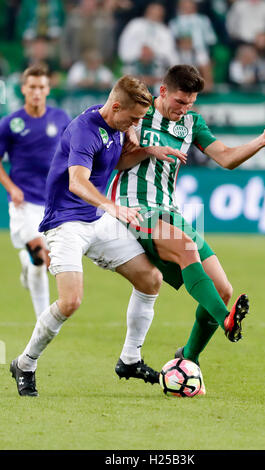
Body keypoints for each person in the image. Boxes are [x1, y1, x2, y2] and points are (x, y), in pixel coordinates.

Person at [107, 64, 265, 393]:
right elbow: (117, 161)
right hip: (135, 208)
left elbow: (225, 158)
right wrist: (146, 149)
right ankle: (226, 319)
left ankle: (188, 357)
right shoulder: (139, 113)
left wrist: (261, 141)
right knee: (186, 250)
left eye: (190, 103)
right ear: (162, 92)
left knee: (222, 287)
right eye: (180, 101)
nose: (184, 109)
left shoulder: (192, 123)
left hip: (170, 211)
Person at [9, 74, 187, 397]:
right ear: (116, 106)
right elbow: (77, 181)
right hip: (65, 222)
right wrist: (112, 207)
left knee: (151, 279)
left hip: (97, 219)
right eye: (132, 119)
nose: (134, 125)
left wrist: (148, 150)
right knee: (70, 301)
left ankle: (130, 359)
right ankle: (25, 363)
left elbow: (115, 162)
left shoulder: (115, 124)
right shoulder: (84, 129)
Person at [0, 64, 71, 319]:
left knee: (41, 262)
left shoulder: (61, 118)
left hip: (53, 202)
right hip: (24, 202)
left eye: (41, 87)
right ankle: (44, 319)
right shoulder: (10, 123)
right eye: (32, 87)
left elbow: (71, 153)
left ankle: (27, 263)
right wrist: (11, 187)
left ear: (48, 89)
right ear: (23, 89)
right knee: (43, 253)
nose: (37, 92)